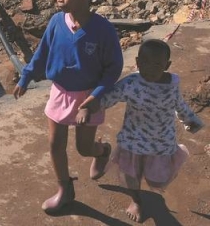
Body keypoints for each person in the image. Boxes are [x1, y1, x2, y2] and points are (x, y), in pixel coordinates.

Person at [13, 0, 124, 213]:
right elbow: (42, 53)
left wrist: (95, 98)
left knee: (83, 148)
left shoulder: (103, 30)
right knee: (55, 144)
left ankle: (102, 151)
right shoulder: (56, 22)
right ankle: (65, 189)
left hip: (89, 96)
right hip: (61, 91)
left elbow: (113, 68)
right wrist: (26, 76)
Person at [79, 39, 204, 222]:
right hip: (133, 141)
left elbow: (179, 105)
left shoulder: (172, 84)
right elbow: (109, 97)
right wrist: (88, 108)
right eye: (145, 63)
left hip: (161, 143)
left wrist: (190, 120)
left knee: (157, 180)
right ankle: (136, 200)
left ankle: (113, 162)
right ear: (137, 62)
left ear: (167, 65)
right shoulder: (131, 83)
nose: (150, 68)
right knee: (131, 176)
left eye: (157, 64)